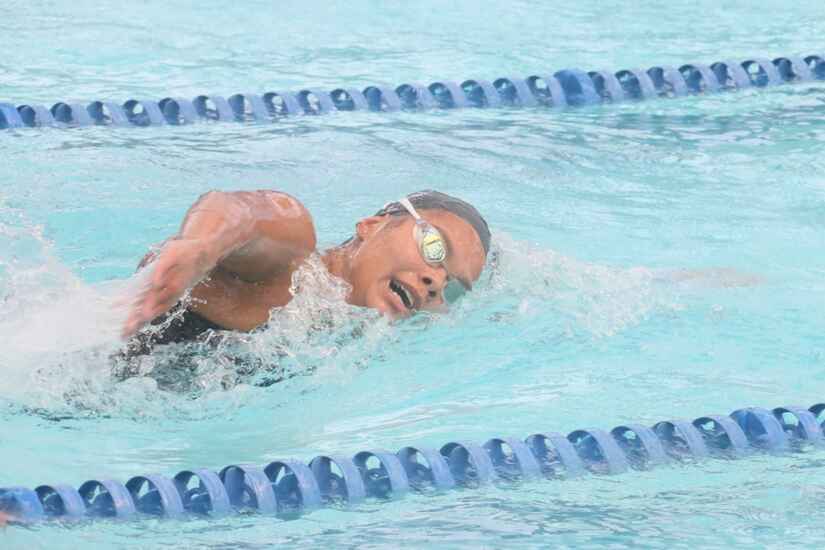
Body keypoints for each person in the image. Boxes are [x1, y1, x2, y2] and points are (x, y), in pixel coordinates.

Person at [121, 189, 490, 353]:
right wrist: (200, 247)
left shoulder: (340, 335)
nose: (435, 281)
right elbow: (246, 213)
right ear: (372, 225)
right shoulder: (293, 265)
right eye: (434, 247)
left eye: (453, 287)